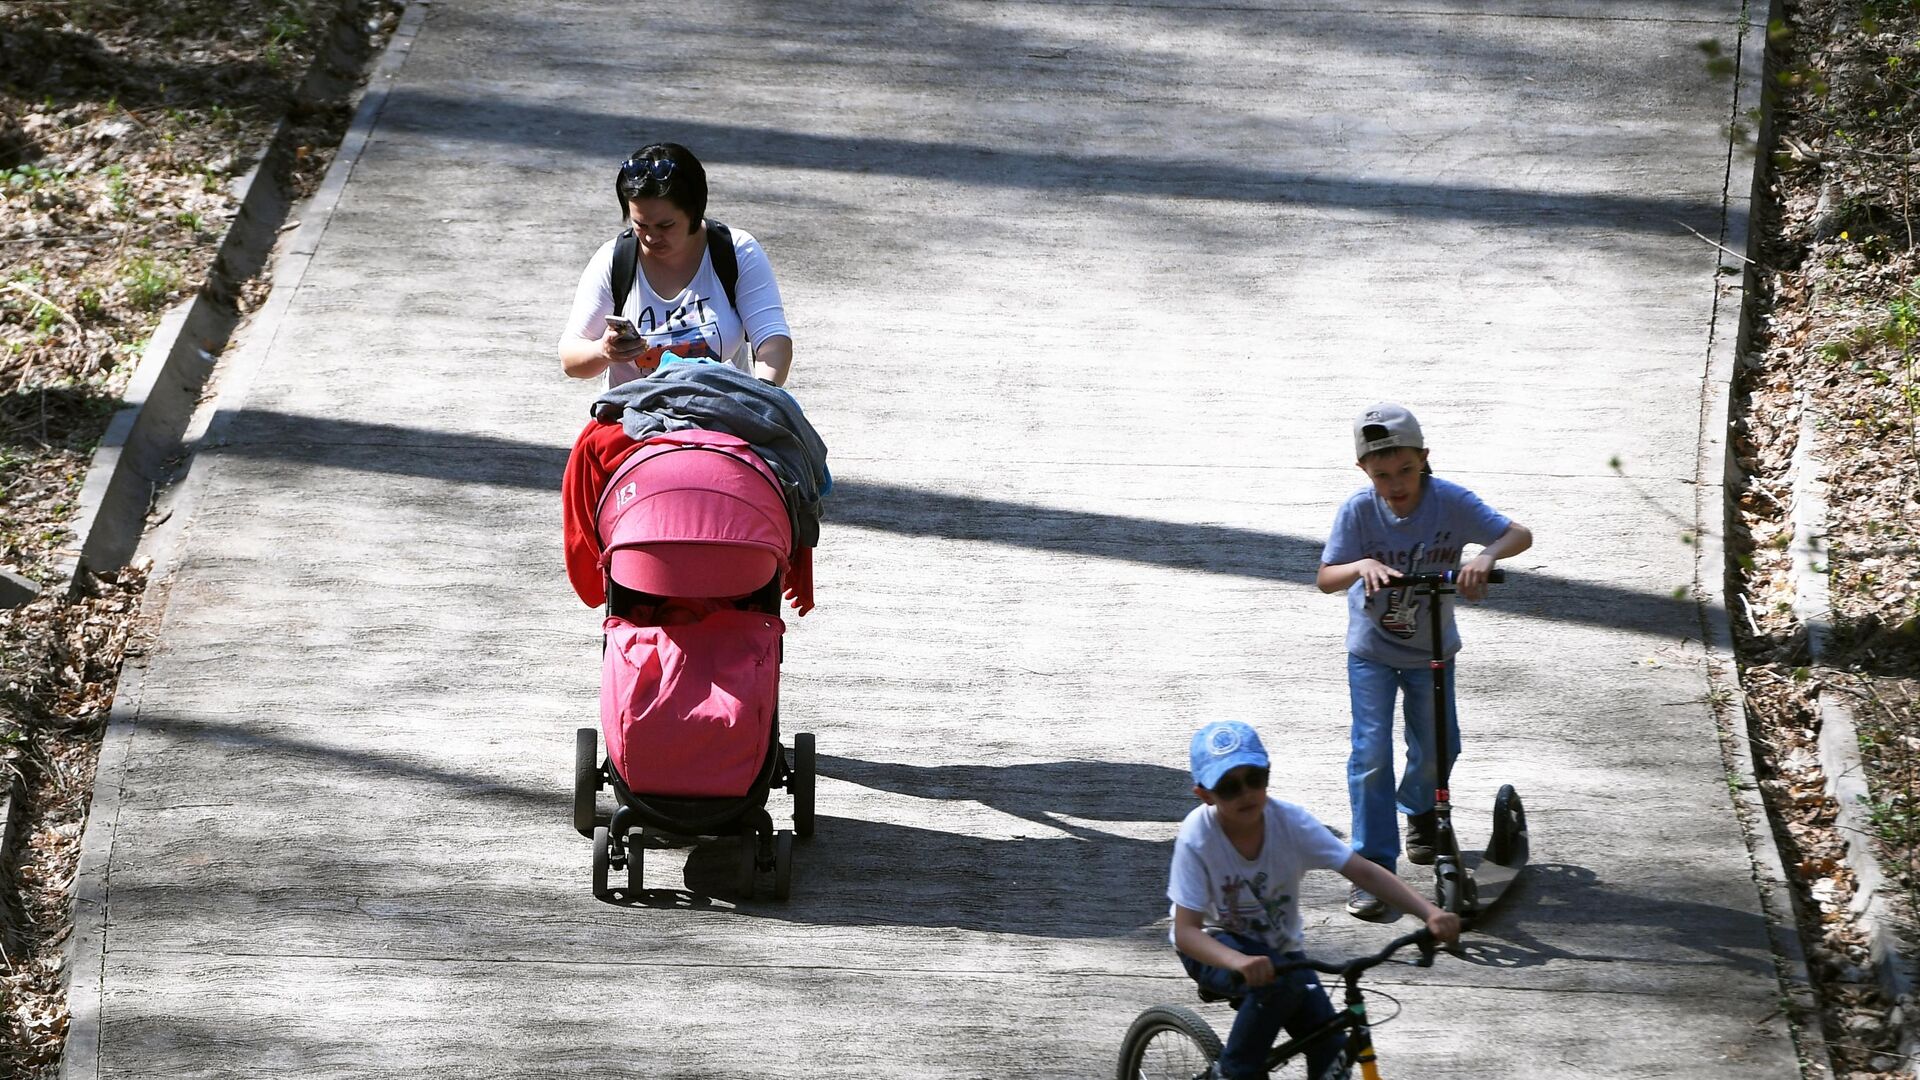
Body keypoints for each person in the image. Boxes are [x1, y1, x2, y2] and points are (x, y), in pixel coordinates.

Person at [1316, 403, 1533, 919]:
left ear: (1424, 459)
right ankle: (1373, 865)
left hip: (1432, 649)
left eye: (1406, 470)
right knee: (1370, 754)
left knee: (1439, 744)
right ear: (1364, 471)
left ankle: (1418, 810)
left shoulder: (1450, 502)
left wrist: (1485, 556)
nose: (1395, 484)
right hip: (1370, 651)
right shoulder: (1358, 511)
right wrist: (1360, 564)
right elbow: (1326, 578)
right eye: (1382, 474)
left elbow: (1517, 534)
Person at [1169, 720, 1461, 1080]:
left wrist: (1429, 912)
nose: (1245, 793)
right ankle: (1231, 1074)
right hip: (1213, 946)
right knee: (1275, 989)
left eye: (1255, 779)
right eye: (1229, 787)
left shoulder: (1290, 823)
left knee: (1332, 1053)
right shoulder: (1198, 836)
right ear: (1205, 795)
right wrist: (1238, 961)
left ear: (1268, 774)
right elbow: (1186, 932)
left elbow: (1362, 871)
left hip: (1282, 953)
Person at [557, 142, 793, 388]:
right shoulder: (613, 261)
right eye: (640, 225)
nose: (651, 238)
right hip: (633, 415)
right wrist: (603, 351)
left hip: (721, 410)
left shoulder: (735, 251)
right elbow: (570, 358)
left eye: (665, 226)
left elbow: (772, 339)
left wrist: (764, 394)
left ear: (694, 211)